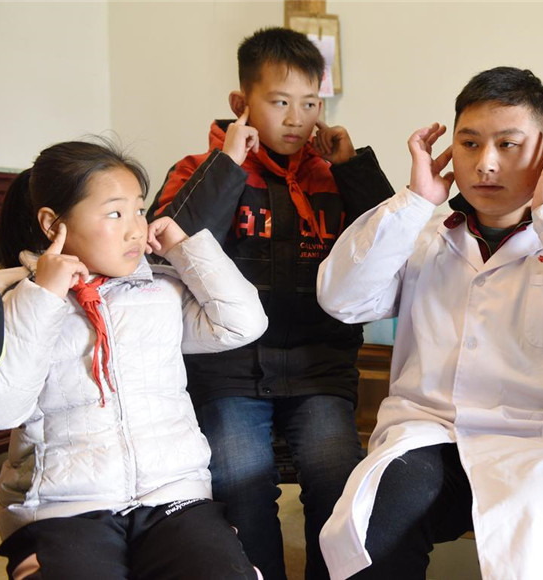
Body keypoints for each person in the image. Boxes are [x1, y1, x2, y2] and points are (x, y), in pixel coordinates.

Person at [316, 66, 543, 580]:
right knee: (373, 532)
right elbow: (342, 300)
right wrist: (415, 201)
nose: (486, 163)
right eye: (470, 143)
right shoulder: (422, 232)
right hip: (429, 434)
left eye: (508, 144)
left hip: (542, 446)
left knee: (539, 557)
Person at [147, 27, 394, 580]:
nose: (296, 119)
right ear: (242, 102)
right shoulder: (199, 167)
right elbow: (167, 242)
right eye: (280, 102)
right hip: (228, 370)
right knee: (241, 486)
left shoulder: (331, 174)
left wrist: (352, 167)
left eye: (310, 104)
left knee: (337, 479)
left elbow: (390, 244)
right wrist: (227, 166)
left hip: (318, 366)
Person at [0, 139, 268, 579]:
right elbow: (2, 409)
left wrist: (184, 248)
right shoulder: (18, 300)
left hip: (172, 494)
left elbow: (243, 323)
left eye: (139, 209)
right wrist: (43, 296)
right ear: (52, 223)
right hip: (63, 505)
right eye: (115, 214)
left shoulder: (160, 290)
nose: (137, 229)